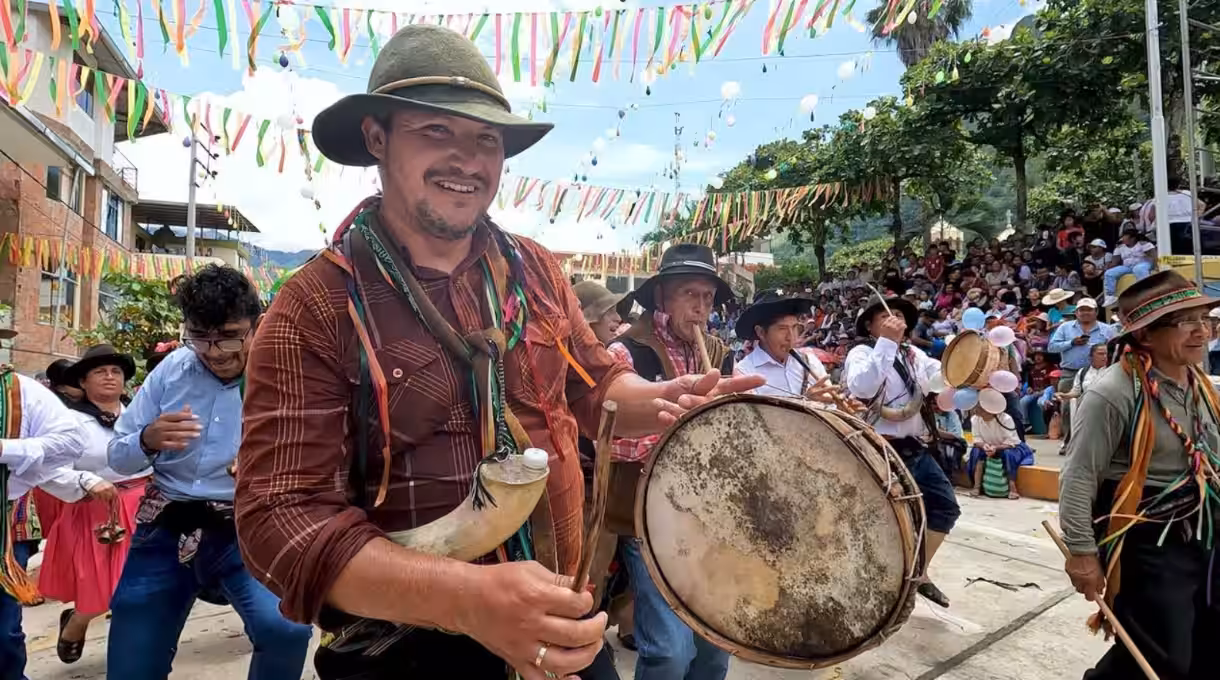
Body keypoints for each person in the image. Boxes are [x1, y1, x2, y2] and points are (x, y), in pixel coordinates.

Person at [233, 26, 761, 680]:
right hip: (404, 646)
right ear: (376, 137)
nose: (467, 159)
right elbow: (278, 519)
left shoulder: (535, 270)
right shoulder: (315, 304)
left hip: (563, 610)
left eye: (487, 139)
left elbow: (594, 385)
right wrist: (466, 600)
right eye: (436, 131)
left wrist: (658, 400)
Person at [106, 265, 312, 679]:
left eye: (230, 336)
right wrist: (147, 439)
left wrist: (268, 469)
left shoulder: (289, 376)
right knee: (132, 662)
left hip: (249, 529)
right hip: (166, 528)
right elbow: (117, 456)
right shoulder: (172, 371)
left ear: (258, 324)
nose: (215, 352)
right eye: (200, 336)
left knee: (286, 629)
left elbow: (319, 460)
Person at [1058, 271, 1220, 679]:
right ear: (1146, 334)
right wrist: (1082, 552)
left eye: (1204, 319)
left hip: (1205, 530)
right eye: (1186, 321)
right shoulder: (1113, 392)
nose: (1202, 331)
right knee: (1161, 656)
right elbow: (1079, 475)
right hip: (1147, 541)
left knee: (1208, 645)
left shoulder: (1199, 383)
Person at [605, 242, 738, 680]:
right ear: (662, 296)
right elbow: (612, 443)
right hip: (649, 515)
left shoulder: (720, 355)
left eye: (708, 297)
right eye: (689, 294)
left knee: (716, 648)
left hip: (710, 517)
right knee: (668, 652)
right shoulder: (627, 352)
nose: (700, 308)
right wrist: (679, 428)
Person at [843, 296, 961, 608]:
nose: (893, 319)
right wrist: (886, 344)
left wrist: (961, 369)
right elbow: (862, 387)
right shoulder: (861, 353)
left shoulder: (914, 354)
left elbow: (939, 378)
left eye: (898, 315)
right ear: (870, 325)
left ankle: (919, 573)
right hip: (876, 448)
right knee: (880, 519)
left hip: (913, 447)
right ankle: (876, 581)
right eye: (884, 316)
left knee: (945, 507)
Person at [36, 345, 151, 664]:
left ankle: (133, 657)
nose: (109, 376)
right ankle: (77, 621)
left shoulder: (141, 416)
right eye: (100, 371)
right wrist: (87, 481)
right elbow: (46, 469)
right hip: (94, 511)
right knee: (99, 591)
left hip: (144, 506)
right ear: (83, 382)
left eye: (116, 371)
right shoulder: (68, 422)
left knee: (140, 588)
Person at [0, 327, 85, 680]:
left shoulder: (21, 391)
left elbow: (71, 441)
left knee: (3, 629)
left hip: (5, 527)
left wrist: (7, 449)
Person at [733, 290, 840, 404]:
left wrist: (838, 406)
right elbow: (751, 414)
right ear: (761, 332)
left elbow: (830, 407)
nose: (791, 337)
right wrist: (806, 403)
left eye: (794, 328)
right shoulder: (745, 372)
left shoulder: (810, 362)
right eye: (782, 329)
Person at [1046, 298, 1117, 454]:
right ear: (1076, 312)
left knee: (1099, 406)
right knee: (1067, 408)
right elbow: (1051, 347)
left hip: (1100, 373)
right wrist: (1072, 343)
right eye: (1082, 310)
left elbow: (1115, 349)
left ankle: (1099, 444)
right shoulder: (1065, 327)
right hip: (1070, 372)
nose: (1085, 313)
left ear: (1096, 312)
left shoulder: (1107, 329)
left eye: (1089, 309)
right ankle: (1068, 442)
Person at [966, 408, 1034, 500]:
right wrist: (984, 446)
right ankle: (976, 486)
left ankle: (1012, 487)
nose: (976, 410)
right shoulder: (975, 419)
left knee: (1009, 454)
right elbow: (976, 439)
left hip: (1009, 447)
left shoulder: (1006, 419)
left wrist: (995, 448)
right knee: (976, 451)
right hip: (987, 447)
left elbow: (1011, 442)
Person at [1102, 229, 1155, 307]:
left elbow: (1153, 257)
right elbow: (1114, 262)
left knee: (1138, 269)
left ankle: (1145, 292)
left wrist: (1154, 266)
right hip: (1127, 267)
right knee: (1109, 273)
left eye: (1124, 236)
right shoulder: (1120, 247)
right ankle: (1110, 296)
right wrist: (1108, 267)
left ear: (1132, 238)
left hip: (1143, 264)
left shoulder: (1143, 244)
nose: (1122, 238)